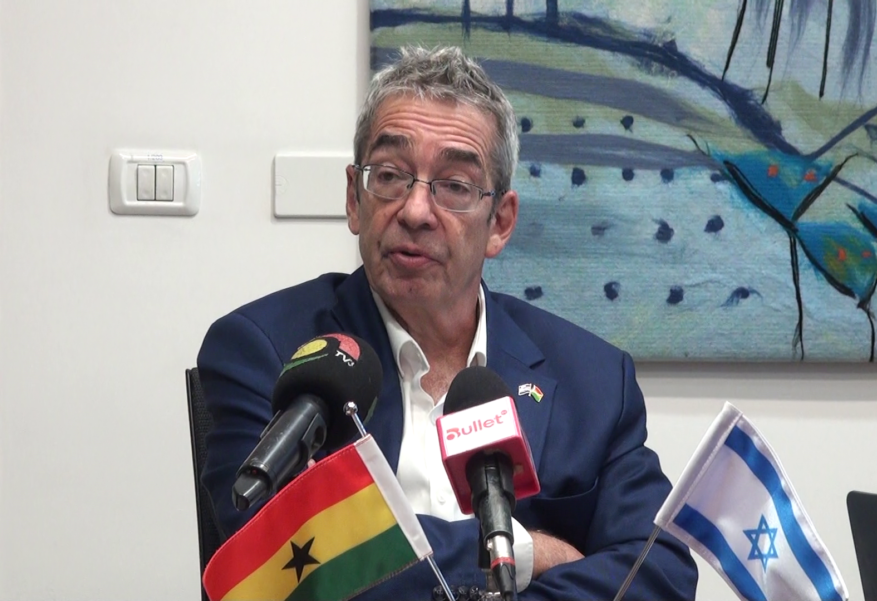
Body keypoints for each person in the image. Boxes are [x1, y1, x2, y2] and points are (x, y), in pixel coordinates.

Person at [197, 46, 697, 600]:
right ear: (355, 200)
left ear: (499, 222)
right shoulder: (266, 351)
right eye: (390, 176)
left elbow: (659, 574)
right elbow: (270, 564)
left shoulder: (594, 380)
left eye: (455, 186)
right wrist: (526, 551)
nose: (414, 211)